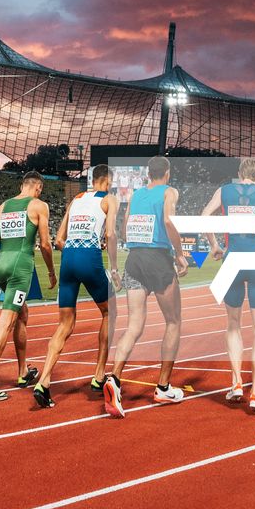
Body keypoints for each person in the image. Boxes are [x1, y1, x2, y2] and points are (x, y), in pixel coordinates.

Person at [106, 156, 192, 413]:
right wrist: (179, 254)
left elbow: (123, 227)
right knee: (173, 321)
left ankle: (115, 378)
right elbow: (168, 221)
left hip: (134, 260)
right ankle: (163, 387)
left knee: (134, 326)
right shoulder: (170, 192)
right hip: (158, 259)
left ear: (148, 174)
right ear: (166, 172)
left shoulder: (135, 195)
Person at [30, 164, 120, 410]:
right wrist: (113, 269)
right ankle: (99, 375)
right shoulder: (110, 199)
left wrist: (77, 248)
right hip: (89, 259)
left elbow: (59, 240)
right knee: (109, 313)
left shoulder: (76, 199)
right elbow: (110, 235)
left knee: (64, 324)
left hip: (68, 260)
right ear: (108, 180)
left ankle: (44, 382)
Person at [0, 173, 58, 401]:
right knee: (6, 322)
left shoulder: (3, 207)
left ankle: (22, 372)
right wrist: (50, 271)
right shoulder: (39, 205)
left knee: (22, 313)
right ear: (37, 187)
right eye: (41, 188)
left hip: (1, 267)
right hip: (20, 268)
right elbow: (46, 245)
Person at [204, 158, 255, 413]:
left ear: (239, 174)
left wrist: (214, 246)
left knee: (233, 325)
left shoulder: (224, 191)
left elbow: (205, 216)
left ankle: (237, 382)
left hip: (232, 261)